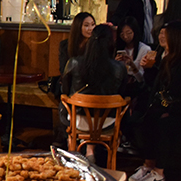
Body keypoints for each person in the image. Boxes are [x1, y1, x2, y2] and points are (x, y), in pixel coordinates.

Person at [61, 24, 127, 164]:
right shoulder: (120, 68)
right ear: (111, 43)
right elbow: (122, 94)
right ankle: (90, 151)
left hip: (78, 120)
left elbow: (65, 91)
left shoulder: (74, 62)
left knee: (65, 102)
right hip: (107, 122)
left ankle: (73, 147)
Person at [129, 22, 181, 181]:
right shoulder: (160, 55)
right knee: (143, 120)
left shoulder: (177, 61)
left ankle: (159, 173)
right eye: (161, 33)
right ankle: (148, 165)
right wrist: (148, 69)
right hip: (160, 104)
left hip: (174, 109)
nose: (162, 37)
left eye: (166, 34)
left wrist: (169, 110)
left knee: (163, 123)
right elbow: (153, 85)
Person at [115, 16, 151, 85]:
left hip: (136, 86)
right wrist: (116, 64)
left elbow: (142, 79)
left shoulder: (144, 49)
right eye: (122, 34)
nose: (125, 36)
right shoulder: (118, 48)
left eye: (129, 33)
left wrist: (132, 66)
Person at [58, 12, 96, 77]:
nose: (91, 28)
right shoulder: (65, 45)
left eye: (93, 24)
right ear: (78, 27)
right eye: (86, 25)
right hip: (71, 79)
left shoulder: (96, 44)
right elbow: (63, 69)